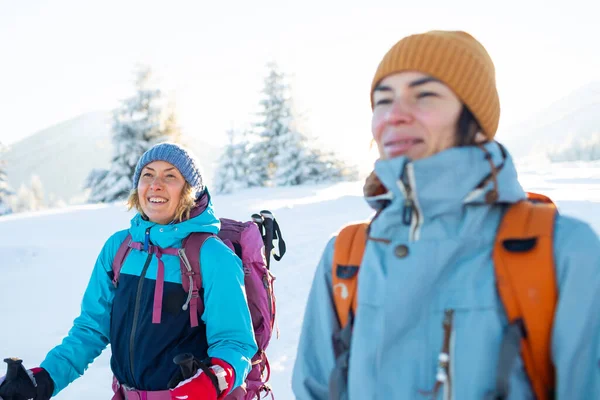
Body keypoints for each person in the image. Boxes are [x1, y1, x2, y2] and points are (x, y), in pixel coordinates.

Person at [292, 30, 600, 399]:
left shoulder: (561, 250)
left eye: (425, 95)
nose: (394, 116)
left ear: (474, 117)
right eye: (382, 100)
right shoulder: (346, 256)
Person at [0, 142, 258, 400]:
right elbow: (91, 329)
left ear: (190, 191)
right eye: (148, 175)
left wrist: (213, 381)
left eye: (170, 176)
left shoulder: (212, 256)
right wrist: (46, 378)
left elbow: (235, 342)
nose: (156, 184)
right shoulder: (119, 248)